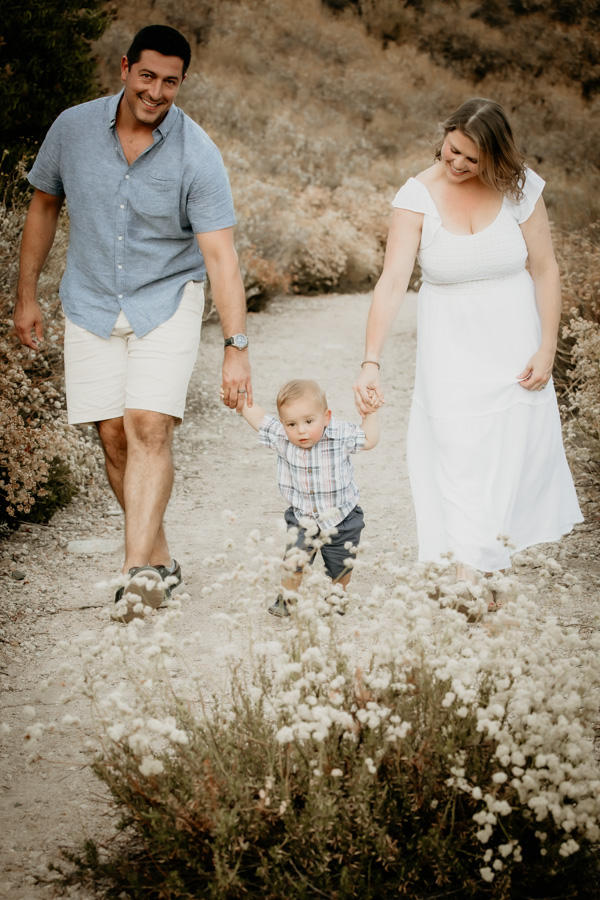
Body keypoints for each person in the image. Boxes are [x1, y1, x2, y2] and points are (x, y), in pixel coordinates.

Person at [14, 25, 252, 622]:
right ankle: (160, 559)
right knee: (114, 438)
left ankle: (135, 575)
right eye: (147, 76)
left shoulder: (197, 152)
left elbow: (221, 256)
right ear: (125, 68)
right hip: (90, 299)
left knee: (149, 425)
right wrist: (26, 296)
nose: (156, 91)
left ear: (182, 82)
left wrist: (236, 345)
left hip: (166, 298)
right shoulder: (72, 128)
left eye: (170, 81)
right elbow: (43, 205)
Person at [353, 97, 582, 585]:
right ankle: (467, 574)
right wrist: (371, 361)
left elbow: (545, 268)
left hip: (515, 343)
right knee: (457, 451)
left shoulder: (520, 188)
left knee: (508, 454)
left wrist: (547, 347)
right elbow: (392, 283)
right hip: (450, 348)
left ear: (495, 157)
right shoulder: (416, 197)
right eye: (451, 149)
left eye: (471, 159)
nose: (456, 163)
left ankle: (488, 563)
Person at [226, 379, 380, 616]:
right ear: (283, 423)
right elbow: (259, 419)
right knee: (293, 562)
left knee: (342, 564)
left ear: (326, 417)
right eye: (291, 424)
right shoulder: (281, 436)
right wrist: (240, 398)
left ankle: (337, 595)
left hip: (341, 517)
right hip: (302, 517)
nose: (300, 430)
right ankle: (287, 598)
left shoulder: (340, 435)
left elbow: (369, 440)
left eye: (309, 421)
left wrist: (370, 413)